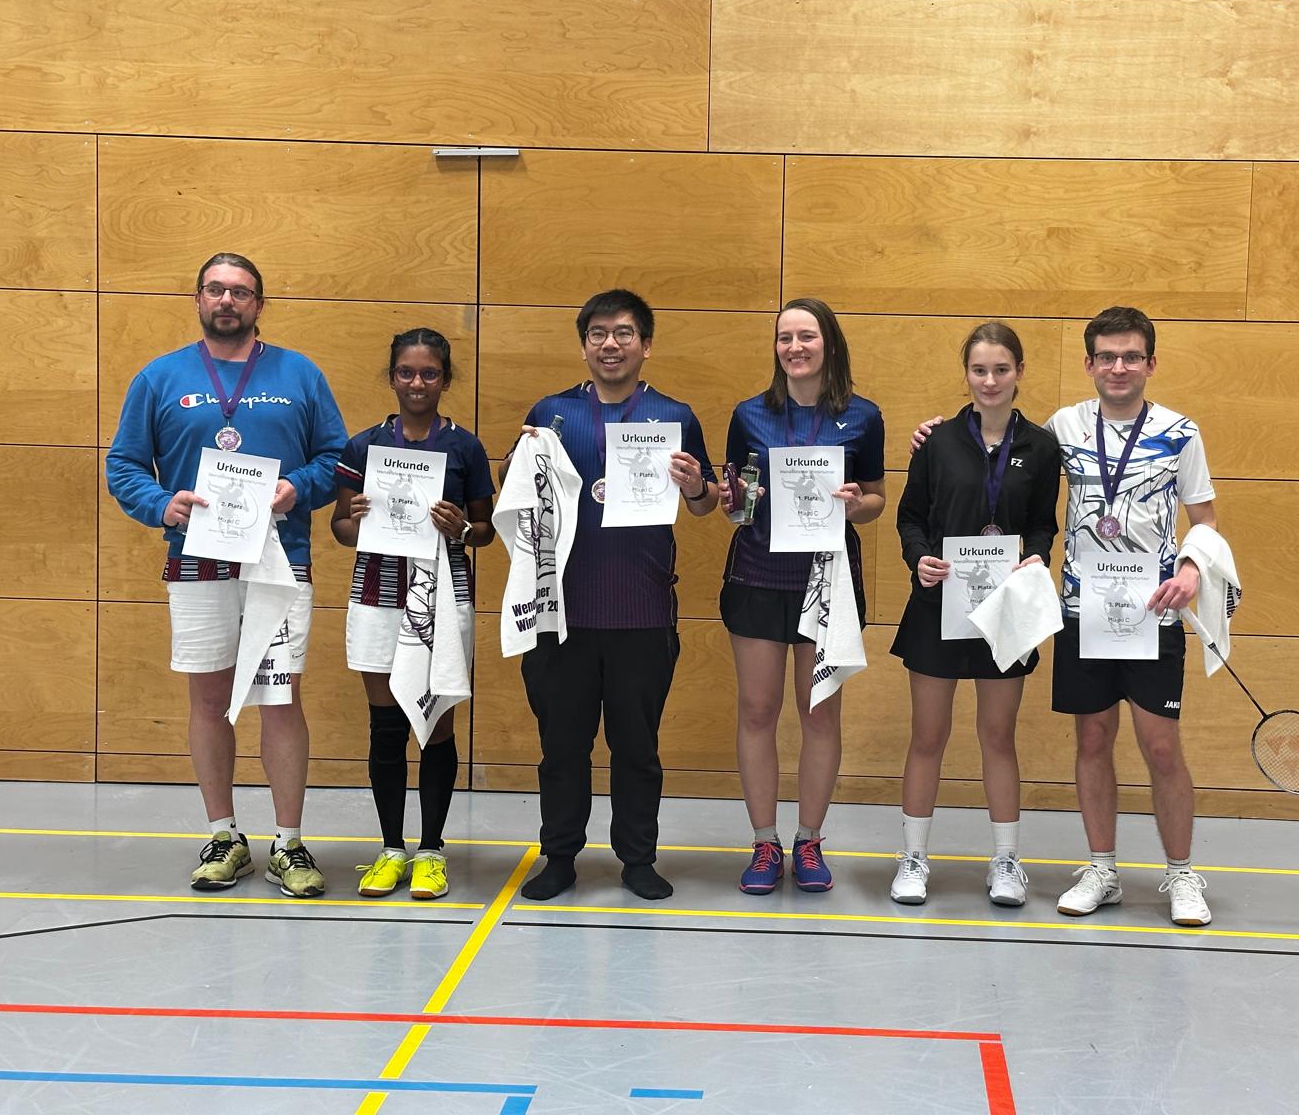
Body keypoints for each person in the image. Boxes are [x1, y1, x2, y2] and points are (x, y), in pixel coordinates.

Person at [105, 252, 347, 896]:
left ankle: (289, 844)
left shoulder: (300, 374)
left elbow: (337, 459)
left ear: (259, 305)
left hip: (280, 562)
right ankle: (224, 833)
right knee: (209, 701)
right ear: (198, 299)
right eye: (215, 290)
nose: (227, 301)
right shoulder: (160, 378)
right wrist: (163, 503)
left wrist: (299, 487)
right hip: (197, 561)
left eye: (240, 292)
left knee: (279, 699)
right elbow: (123, 466)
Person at [514, 289, 718, 902]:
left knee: (637, 746)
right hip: (563, 613)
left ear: (646, 345)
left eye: (624, 333)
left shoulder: (675, 415)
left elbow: (706, 505)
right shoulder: (550, 414)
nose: (610, 343)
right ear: (584, 344)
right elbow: (518, 501)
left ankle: (637, 859)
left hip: (643, 610)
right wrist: (520, 462)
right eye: (598, 333)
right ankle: (559, 856)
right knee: (561, 748)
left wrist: (695, 484)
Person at [1046, 307, 1217, 926]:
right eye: (1107, 357)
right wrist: (936, 431)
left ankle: (1180, 874)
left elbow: (1206, 521)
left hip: (1153, 614)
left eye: (1131, 356)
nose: (1119, 367)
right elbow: (999, 456)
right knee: (1092, 739)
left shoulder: (1180, 432)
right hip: (1081, 611)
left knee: (1160, 746)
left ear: (1150, 363)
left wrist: (1192, 571)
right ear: (1089, 363)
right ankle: (1102, 868)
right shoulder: (1062, 426)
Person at [889, 322, 1060, 907]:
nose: (990, 380)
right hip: (939, 607)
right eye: (979, 370)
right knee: (928, 736)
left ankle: (1007, 862)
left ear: (1019, 373)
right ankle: (913, 859)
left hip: (1004, 609)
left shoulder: (1040, 445)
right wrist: (920, 560)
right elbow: (909, 517)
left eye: (1001, 369)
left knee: (997, 737)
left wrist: (1035, 555)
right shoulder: (935, 442)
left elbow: (1042, 521)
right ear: (966, 374)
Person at [719, 298, 886, 894]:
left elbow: (875, 500)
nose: (794, 347)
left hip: (829, 584)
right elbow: (738, 504)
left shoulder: (863, 416)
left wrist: (852, 503)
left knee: (820, 713)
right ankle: (765, 842)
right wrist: (730, 497)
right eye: (785, 337)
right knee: (758, 712)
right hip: (759, 578)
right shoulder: (749, 415)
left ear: (829, 344)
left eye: (806, 336)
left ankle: (809, 839)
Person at [329, 329, 495, 901]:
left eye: (429, 374)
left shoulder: (465, 448)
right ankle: (390, 848)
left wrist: (461, 529)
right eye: (406, 372)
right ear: (392, 376)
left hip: (443, 600)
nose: (417, 383)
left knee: (436, 725)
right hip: (377, 593)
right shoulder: (362, 446)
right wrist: (353, 515)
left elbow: (486, 532)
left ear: (445, 380)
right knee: (386, 727)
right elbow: (341, 530)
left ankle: (431, 851)